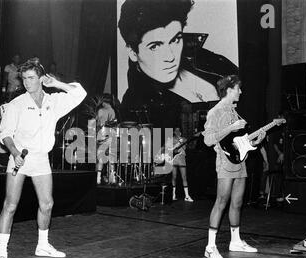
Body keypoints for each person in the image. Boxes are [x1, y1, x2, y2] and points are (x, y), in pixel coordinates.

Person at [0, 58, 87, 258]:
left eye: (32, 78)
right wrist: (15, 153)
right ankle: (1, 255)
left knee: (47, 204)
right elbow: (5, 134)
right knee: (10, 206)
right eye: (24, 78)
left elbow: (80, 93)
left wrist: (57, 84)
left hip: (41, 159)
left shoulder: (53, 101)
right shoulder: (16, 104)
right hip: (20, 159)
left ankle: (43, 245)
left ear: (41, 79)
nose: (27, 83)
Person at [118, 0, 238, 134]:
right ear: (133, 53)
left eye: (175, 40)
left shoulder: (206, 61)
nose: (170, 56)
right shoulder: (134, 105)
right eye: (155, 46)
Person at [202, 75, 266, 258]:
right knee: (221, 202)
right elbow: (208, 140)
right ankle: (210, 247)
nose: (241, 91)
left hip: (240, 160)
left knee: (237, 203)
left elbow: (237, 142)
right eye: (238, 88)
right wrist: (231, 128)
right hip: (225, 162)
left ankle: (235, 241)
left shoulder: (233, 111)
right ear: (229, 90)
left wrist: (255, 140)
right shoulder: (216, 111)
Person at [165, 127, 194, 202]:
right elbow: (168, 149)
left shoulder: (184, 139)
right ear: (174, 132)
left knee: (184, 177)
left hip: (181, 159)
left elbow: (184, 147)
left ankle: (187, 196)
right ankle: (173, 195)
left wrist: (180, 143)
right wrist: (173, 149)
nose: (177, 132)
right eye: (176, 131)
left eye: (179, 131)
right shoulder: (170, 139)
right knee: (174, 177)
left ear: (180, 132)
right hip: (174, 159)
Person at [96, 94, 118, 184]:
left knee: (101, 157)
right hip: (111, 133)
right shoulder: (112, 110)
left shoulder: (101, 110)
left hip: (103, 133)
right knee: (111, 156)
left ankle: (98, 178)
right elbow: (114, 123)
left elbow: (99, 123)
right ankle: (112, 177)